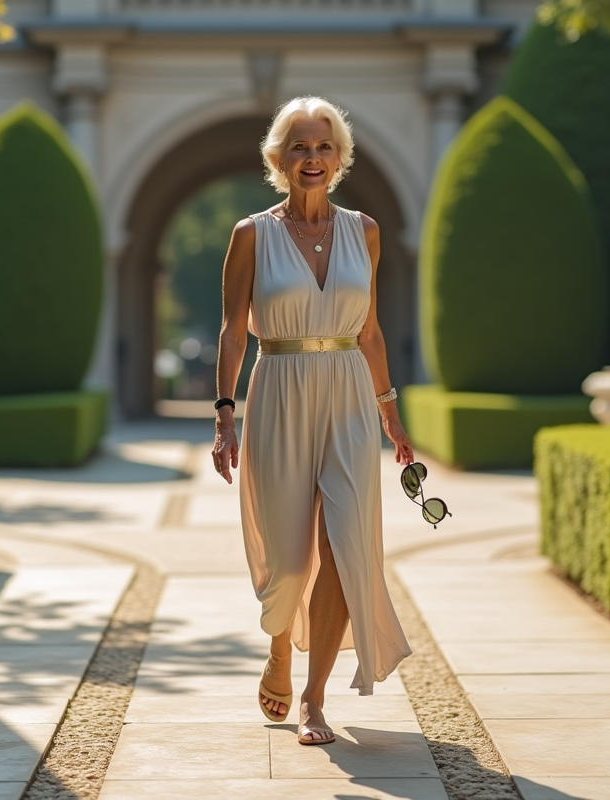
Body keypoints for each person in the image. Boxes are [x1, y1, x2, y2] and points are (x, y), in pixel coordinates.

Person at [211, 96, 414, 746]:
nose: (312, 158)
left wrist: (392, 414)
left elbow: (372, 330)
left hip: (351, 395)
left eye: (323, 146)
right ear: (279, 158)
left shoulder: (366, 231)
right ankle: (278, 644)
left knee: (346, 546)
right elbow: (233, 335)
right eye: (299, 146)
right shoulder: (251, 235)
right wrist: (223, 417)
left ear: (339, 157)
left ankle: (314, 698)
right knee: (290, 562)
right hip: (279, 391)